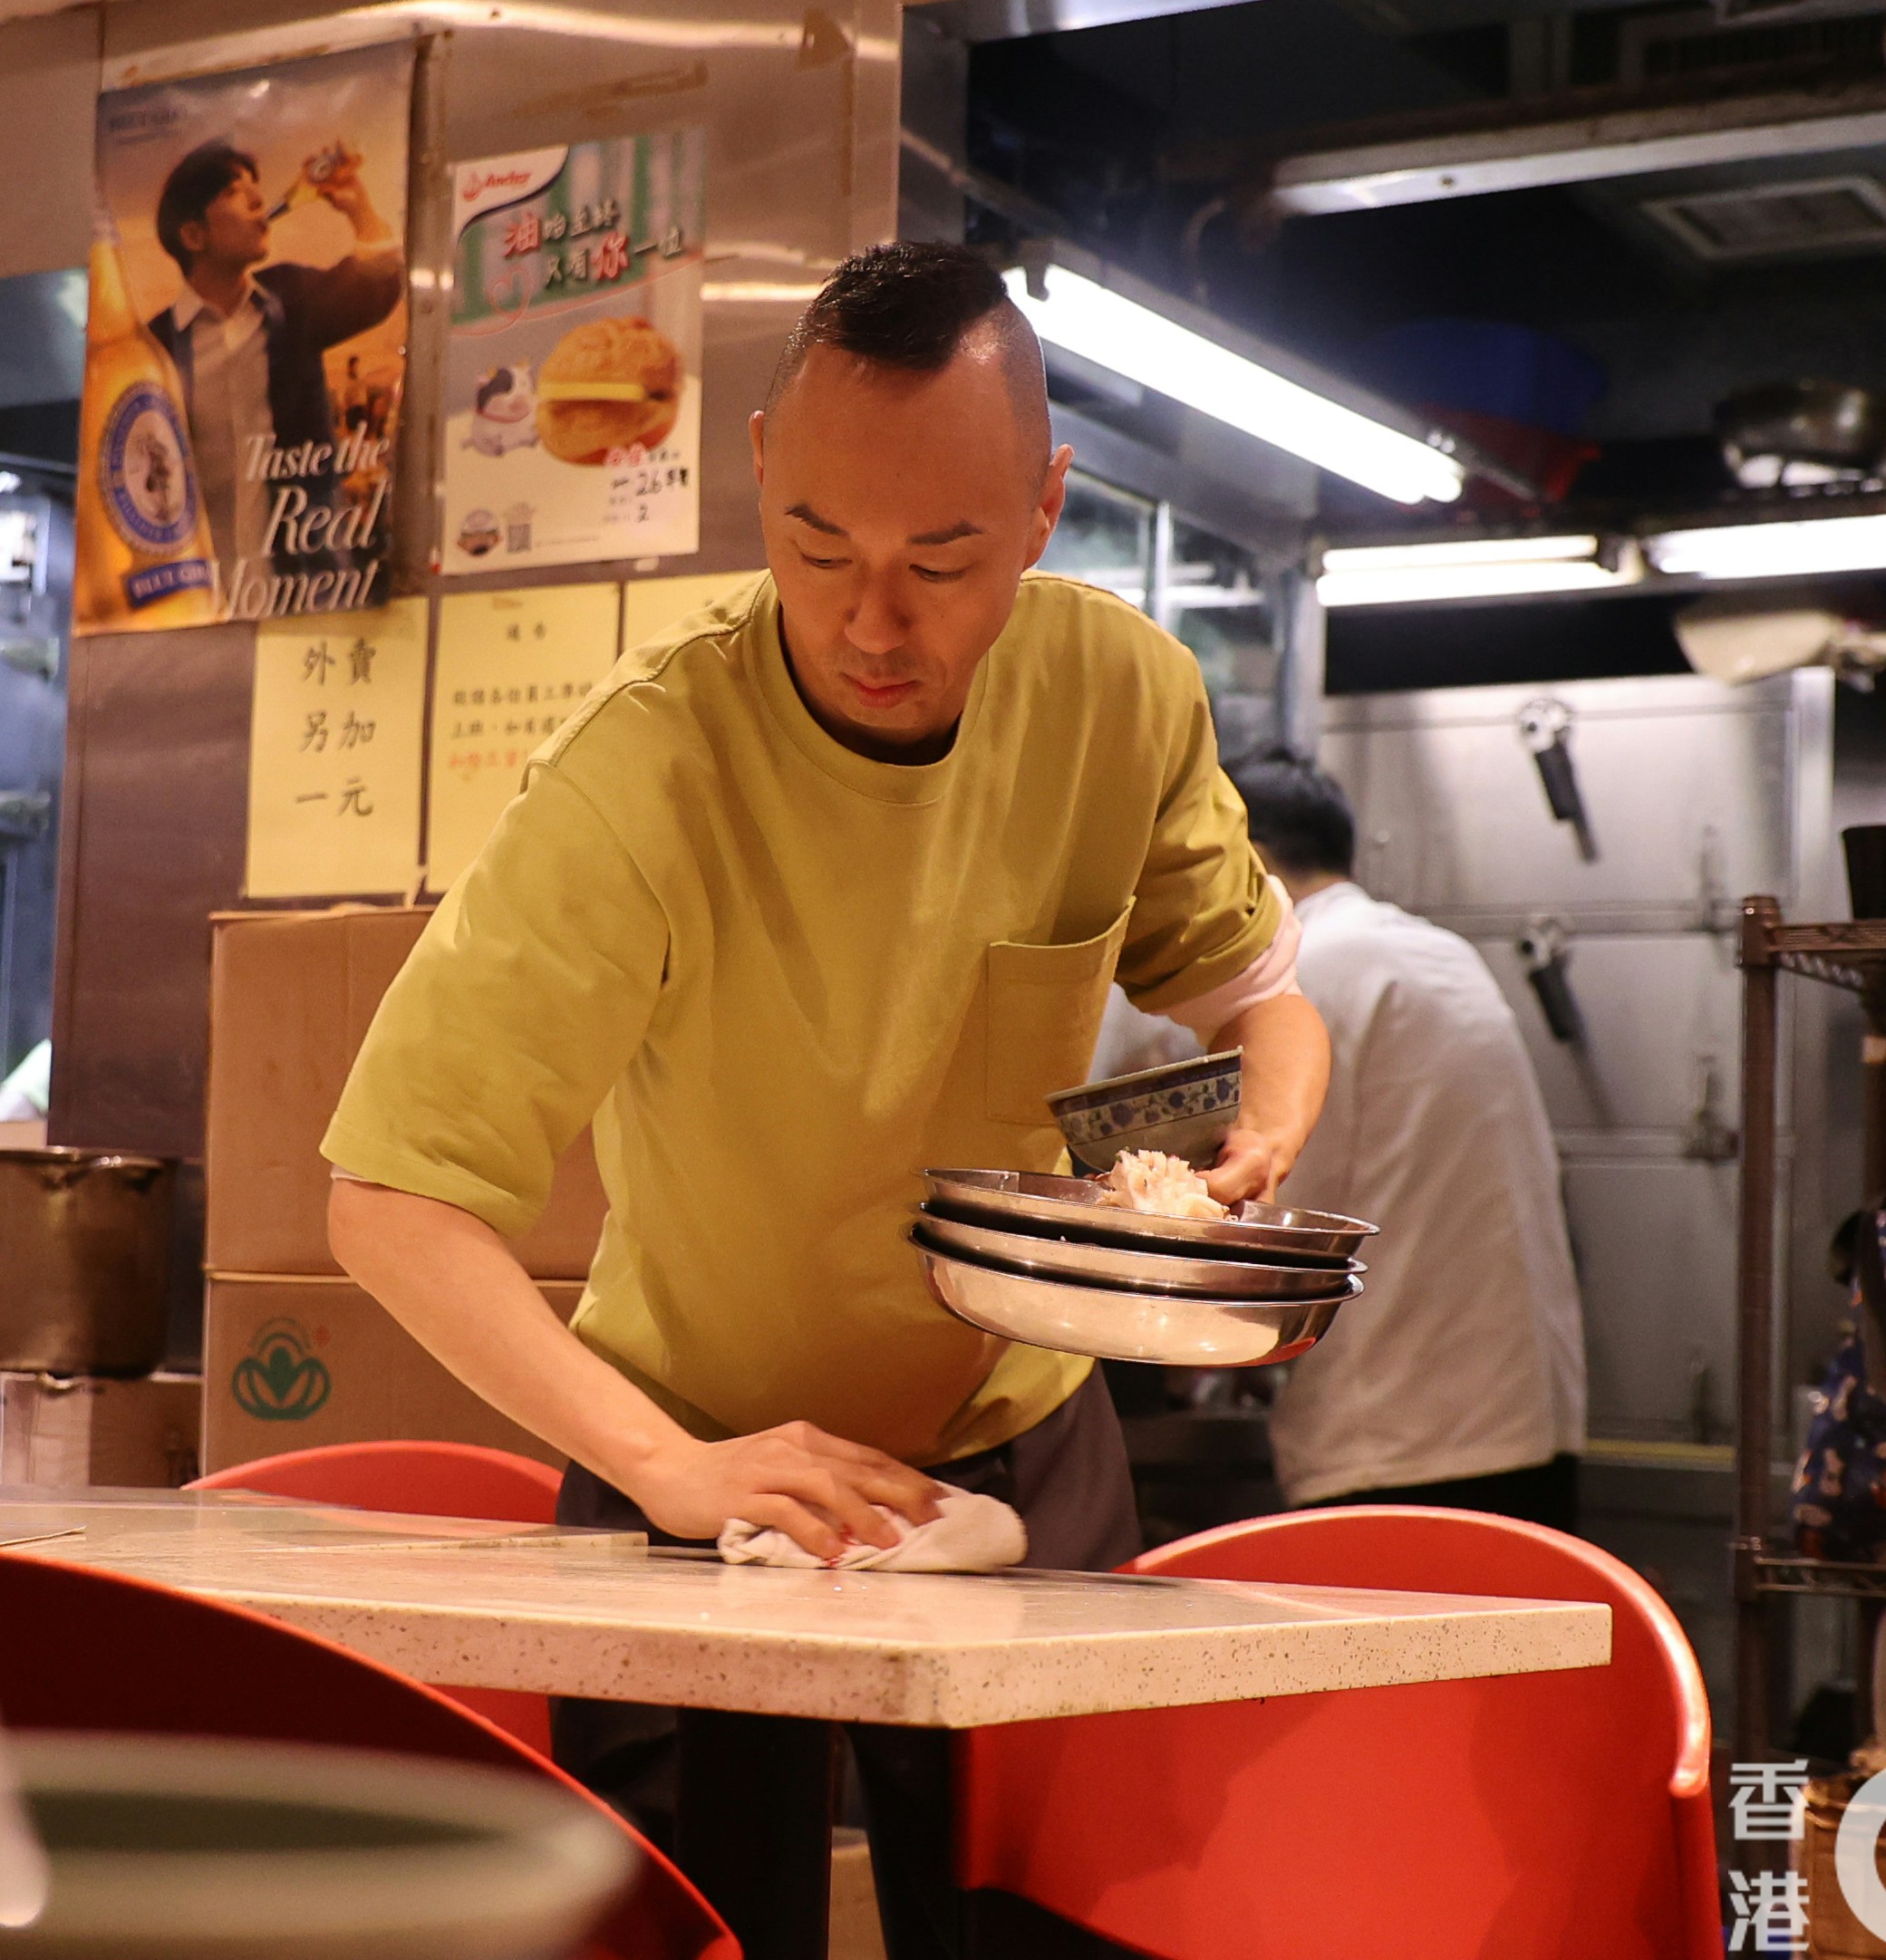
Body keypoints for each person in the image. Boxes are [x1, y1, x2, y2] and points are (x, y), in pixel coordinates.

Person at [320, 242, 1330, 1960]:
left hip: (1024, 1435)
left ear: (1042, 509)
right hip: (701, 1457)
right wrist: (665, 1465)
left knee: (1050, 1931)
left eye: (940, 561)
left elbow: (1254, 991)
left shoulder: (1119, 696)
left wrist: (1269, 1133)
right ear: (759, 471)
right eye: (816, 549)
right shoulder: (642, 771)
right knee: (693, 1934)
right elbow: (390, 1198)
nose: (872, 620)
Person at [1093, 749, 1587, 1529]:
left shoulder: (1301, 979)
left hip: (1396, 1439)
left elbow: (1258, 1203)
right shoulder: (1434, 952)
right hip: (1528, 1418)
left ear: (1246, 864)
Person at [147, 140, 403, 587]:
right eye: (233, 192)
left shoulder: (292, 298)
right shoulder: (154, 347)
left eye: (255, 187)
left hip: (309, 585)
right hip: (201, 592)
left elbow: (376, 291)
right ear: (193, 236)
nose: (257, 199)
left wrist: (359, 210)